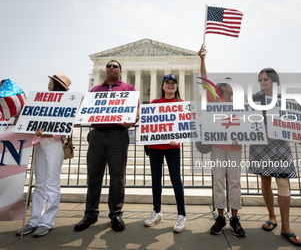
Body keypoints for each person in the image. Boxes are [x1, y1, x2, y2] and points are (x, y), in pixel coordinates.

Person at [74, 60, 139, 232]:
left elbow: (136, 112)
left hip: (118, 135)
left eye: (115, 66)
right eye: (109, 66)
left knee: (117, 178)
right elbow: (87, 110)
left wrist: (131, 121)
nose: (111, 68)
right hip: (97, 135)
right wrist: (79, 119)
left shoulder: (128, 89)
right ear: (105, 70)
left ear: (120, 70)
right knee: (93, 176)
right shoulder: (95, 89)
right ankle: (90, 214)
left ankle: (116, 214)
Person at [248, 68, 301, 247]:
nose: (262, 82)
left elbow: (293, 123)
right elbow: (248, 122)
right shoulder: (253, 99)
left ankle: (286, 227)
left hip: (280, 145)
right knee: (265, 182)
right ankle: (272, 216)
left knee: (283, 183)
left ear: (274, 80)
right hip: (260, 145)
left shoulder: (284, 99)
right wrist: (264, 132)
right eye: (260, 80)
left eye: (265, 79)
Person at [16, 73, 72, 237]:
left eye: (50, 82)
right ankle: (34, 220)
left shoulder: (68, 102)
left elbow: (65, 128)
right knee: (39, 182)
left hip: (55, 144)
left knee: (51, 183)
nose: (48, 84)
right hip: (40, 143)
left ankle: (47, 221)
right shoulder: (41, 99)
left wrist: (47, 132)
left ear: (58, 84)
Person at [198, 46, 245, 237]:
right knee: (218, 181)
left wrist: (240, 136)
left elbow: (247, 125)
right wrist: (202, 59)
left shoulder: (240, 104)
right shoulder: (214, 100)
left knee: (234, 181)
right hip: (218, 146)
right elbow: (204, 80)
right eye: (231, 84)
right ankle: (220, 217)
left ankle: (234, 218)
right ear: (224, 87)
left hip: (235, 147)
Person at [144, 74, 186, 233]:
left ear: (176, 87)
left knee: (176, 180)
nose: (170, 85)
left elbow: (185, 127)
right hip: (155, 146)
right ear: (162, 86)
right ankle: (157, 212)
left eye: (173, 83)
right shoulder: (154, 103)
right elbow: (148, 123)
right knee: (156, 180)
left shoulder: (180, 104)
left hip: (172, 147)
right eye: (167, 83)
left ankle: (181, 215)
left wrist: (179, 139)